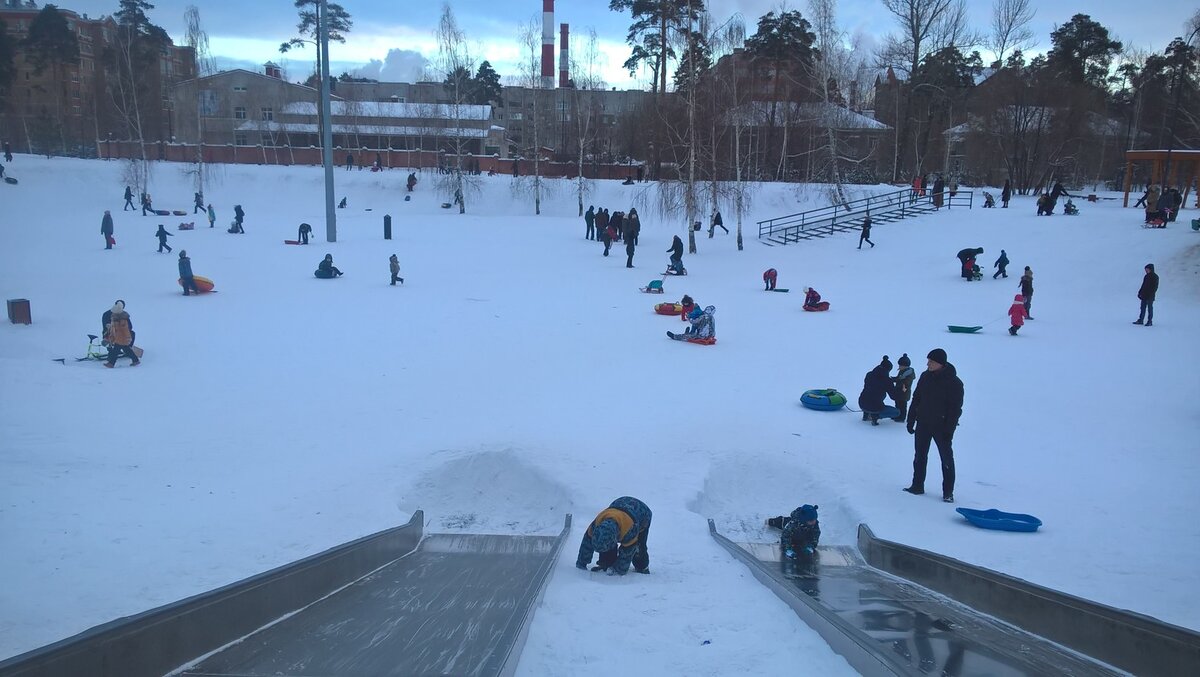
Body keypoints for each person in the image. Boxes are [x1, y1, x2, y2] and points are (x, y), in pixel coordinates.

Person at [904, 348, 964, 503]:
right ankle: (917, 485)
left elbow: (955, 410)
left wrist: (949, 430)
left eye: (931, 361)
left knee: (946, 459)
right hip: (923, 423)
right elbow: (916, 399)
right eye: (928, 361)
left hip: (941, 427)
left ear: (941, 363)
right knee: (920, 456)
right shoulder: (925, 377)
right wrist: (911, 419)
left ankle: (948, 492)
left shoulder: (954, 383)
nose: (928, 364)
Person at [575, 496, 652, 575]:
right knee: (605, 542)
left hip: (642, 513)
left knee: (638, 546)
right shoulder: (596, 524)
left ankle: (642, 567)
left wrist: (619, 570)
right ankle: (606, 563)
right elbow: (587, 543)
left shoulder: (630, 529)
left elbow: (627, 553)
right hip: (619, 505)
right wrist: (582, 563)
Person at [858, 355, 900, 425]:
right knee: (897, 412)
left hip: (862, 403)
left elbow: (875, 385)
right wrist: (900, 390)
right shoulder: (887, 380)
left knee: (869, 397)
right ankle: (875, 416)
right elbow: (894, 396)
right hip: (875, 406)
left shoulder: (869, 374)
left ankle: (866, 415)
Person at [103, 301, 139, 368]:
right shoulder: (116, 317)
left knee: (116, 350)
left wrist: (127, 337)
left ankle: (111, 363)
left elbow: (125, 329)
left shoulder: (122, 319)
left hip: (122, 337)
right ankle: (135, 360)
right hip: (119, 337)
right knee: (126, 349)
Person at [892, 353, 916, 422]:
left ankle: (902, 417)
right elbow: (899, 378)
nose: (899, 367)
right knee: (897, 404)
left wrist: (898, 381)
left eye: (900, 365)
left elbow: (905, 382)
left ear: (905, 366)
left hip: (904, 392)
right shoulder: (902, 371)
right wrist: (893, 379)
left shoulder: (909, 374)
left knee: (902, 405)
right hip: (899, 391)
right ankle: (897, 415)